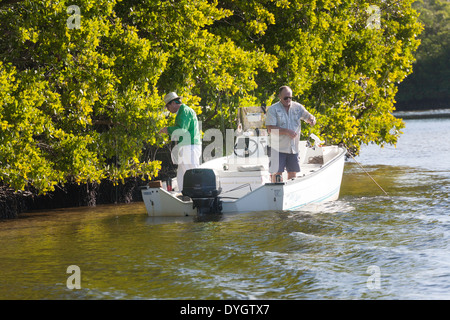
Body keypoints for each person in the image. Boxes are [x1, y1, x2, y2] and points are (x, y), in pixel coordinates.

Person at [265, 86, 316, 182]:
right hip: (277, 148)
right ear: (279, 96)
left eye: (290, 98)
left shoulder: (298, 107)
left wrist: (312, 120)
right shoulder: (273, 109)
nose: (288, 100)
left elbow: (309, 117)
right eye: (285, 98)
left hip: (293, 149)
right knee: (276, 174)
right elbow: (270, 129)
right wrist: (286, 131)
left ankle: (289, 194)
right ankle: (275, 194)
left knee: (293, 173)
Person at [159, 92, 202, 192]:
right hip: (187, 146)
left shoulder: (184, 111)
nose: (168, 110)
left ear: (173, 103)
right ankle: (184, 194)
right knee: (181, 175)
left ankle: (198, 193)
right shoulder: (184, 111)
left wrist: (167, 130)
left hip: (189, 146)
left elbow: (182, 130)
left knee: (191, 172)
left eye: (168, 107)